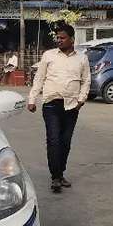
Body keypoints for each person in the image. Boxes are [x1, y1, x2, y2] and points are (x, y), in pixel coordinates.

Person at [28, 22, 90, 193]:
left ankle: (60, 173)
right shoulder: (49, 56)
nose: (59, 40)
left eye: (62, 38)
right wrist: (32, 99)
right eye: (57, 38)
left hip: (72, 106)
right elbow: (39, 78)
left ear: (72, 39)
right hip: (51, 104)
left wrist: (81, 100)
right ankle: (55, 177)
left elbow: (86, 81)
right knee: (54, 140)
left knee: (65, 142)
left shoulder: (81, 58)